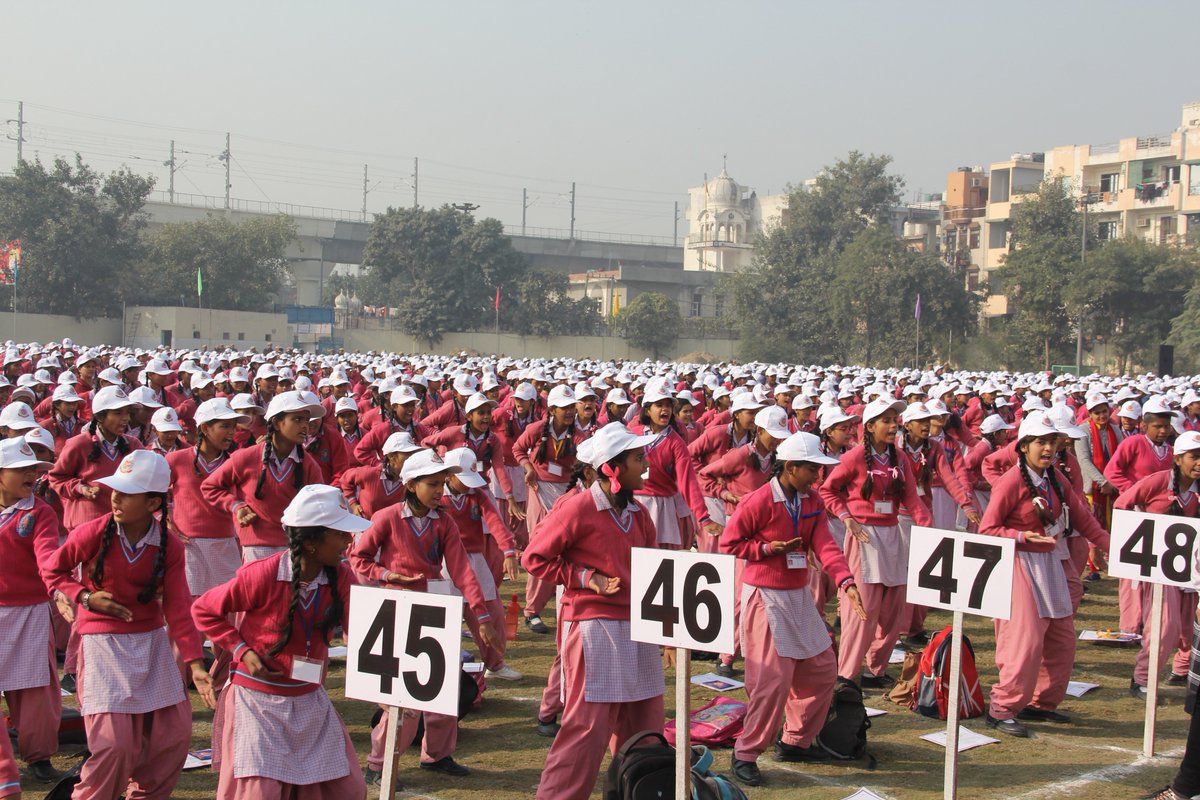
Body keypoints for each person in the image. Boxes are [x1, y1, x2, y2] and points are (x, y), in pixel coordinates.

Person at [47, 450, 216, 799]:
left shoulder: (168, 545)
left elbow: (178, 606)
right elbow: (53, 569)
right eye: (116, 490)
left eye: (127, 493)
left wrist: (196, 664)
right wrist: (84, 597)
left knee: (173, 738)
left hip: (150, 641)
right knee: (115, 745)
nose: (115, 498)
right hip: (102, 642)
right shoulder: (93, 532)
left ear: (152, 502)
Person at [192, 484, 369, 800]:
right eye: (340, 533)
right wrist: (242, 650)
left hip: (308, 696)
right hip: (257, 699)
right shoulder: (262, 574)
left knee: (346, 789)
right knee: (260, 793)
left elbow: (360, 628)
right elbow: (204, 610)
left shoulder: (341, 577)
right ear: (311, 542)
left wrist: (382, 684)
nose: (348, 540)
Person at [522, 423, 663, 800]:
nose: (646, 465)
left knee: (645, 725)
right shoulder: (578, 508)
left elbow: (651, 571)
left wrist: (664, 632)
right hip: (592, 626)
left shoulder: (638, 513)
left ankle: (636, 791)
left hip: (638, 625)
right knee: (588, 727)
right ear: (612, 468)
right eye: (638, 459)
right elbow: (534, 557)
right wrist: (585, 578)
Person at [720, 432, 866, 786]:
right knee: (773, 681)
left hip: (798, 594)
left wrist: (846, 582)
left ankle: (795, 740)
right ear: (790, 468)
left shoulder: (812, 500)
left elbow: (825, 545)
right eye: (812, 468)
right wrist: (767, 549)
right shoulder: (757, 501)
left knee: (822, 670)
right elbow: (729, 544)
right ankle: (745, 753)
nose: (817, 475)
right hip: (765, 596)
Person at [349, 449, 501, 785]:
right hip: (397, 609)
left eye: (441, 483)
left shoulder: (444, 521)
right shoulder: (387, 517)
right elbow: (359, 557)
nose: (439, 490)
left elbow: (461, 570)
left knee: (442, 686)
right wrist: (387, 575)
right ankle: (378, 764)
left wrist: (482, 614)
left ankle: (437, 755)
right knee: (402, 696)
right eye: (432, 484)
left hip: (435, 607)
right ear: (410, 484)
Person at [978, 413, 1110, 737]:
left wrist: (1114, 548)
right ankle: (1002, 707)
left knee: (1062, 639)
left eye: (1052, 441)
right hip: (1019, 564)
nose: (1049, 448)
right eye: (1041, 442)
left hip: (1051, 563)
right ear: (1024, 446)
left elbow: (1084, 518)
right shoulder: (1011, 481)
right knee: (1023, 641)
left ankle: (1042, 702)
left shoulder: (1055, 478)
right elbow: (987, 529)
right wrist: (1021, 537)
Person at [819, 397, 931, 686]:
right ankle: (846, 675)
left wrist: (928, 528)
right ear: (870, 426)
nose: (894, 426)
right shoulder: (854, 457)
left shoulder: (900, 458)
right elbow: (827, 490)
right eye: (887, 421)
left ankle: (876, 670)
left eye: (895, 421)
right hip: (864, 537)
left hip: (893, 535)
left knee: (893, 609)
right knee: (862, 610)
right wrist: (846, 516)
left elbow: (912, 498)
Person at [1115, 430, 1200, 698]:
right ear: (1178, 459)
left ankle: (1182, 670)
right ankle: (1142, 678)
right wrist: (1139, 542)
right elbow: (1122, 505)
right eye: (1194, 457)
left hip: (1191, 565)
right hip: (1160, 568)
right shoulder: (1158, 481)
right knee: (1165, 625)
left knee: (1190, 626)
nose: (1199, 462)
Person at [0, 438, 63, 783]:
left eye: (34, 469)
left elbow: (47, 556)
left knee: (35, 689)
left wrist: (57, 587)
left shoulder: (40, 512)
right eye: (21, 469)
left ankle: (38, 756)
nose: (31, 475)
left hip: (30, 611)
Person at [201, 391, 325, 563]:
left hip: (294, 546)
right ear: (276, 422)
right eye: (297, 419)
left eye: (306, 420)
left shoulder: (309, 465)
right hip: (256, 546)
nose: (305, 426)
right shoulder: (246, 457)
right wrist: (237, 506)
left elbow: (320, 505)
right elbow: (210, 486)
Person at [514, 384, 582, 633]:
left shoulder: (578, 436)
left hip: (565, 494)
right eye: (564, 408)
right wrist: (528, 467)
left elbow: (586, 458)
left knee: (565, 550)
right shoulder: (537, 429)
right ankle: (532, 610)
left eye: (571, 407)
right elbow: (518, 448)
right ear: (552, 410)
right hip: (539, 490)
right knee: (539, 548)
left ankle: (566, 605)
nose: (569, 412)